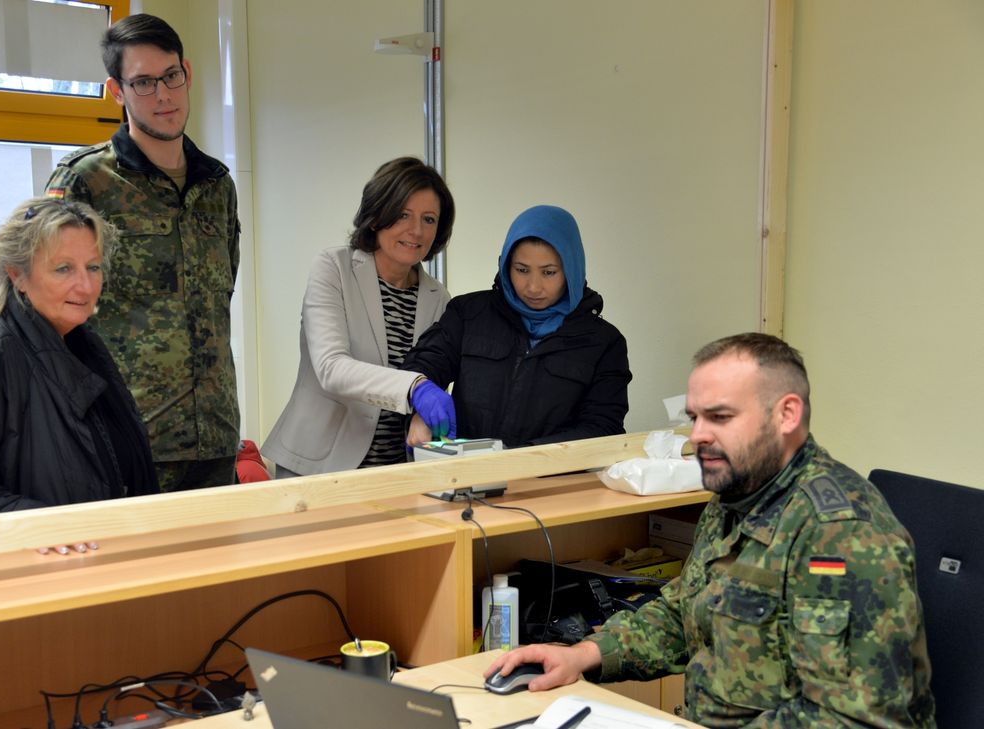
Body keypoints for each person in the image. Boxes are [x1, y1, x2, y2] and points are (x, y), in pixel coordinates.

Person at [486, 333, 936, 728]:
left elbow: (854, 717)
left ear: (786, 415)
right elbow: (684, 610)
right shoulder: (736, 495)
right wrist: (583, 655)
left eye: (719, 417)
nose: (697, 435)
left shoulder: (840, 535)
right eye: (694, 417)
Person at [45, 14, 240, 492]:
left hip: (215, 435)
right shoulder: (84, 181)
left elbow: (221, 293)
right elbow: (46, 312)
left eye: (171, 77)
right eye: (144, 83)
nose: (163, 95)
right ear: (117, 90)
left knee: (223, 567)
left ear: (187, 72)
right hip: (127, 435)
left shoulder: (217, 185)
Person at [0, 198, 158, 520]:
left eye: (93, 267)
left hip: (93, 552)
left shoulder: (82, 343)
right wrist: (49, 528)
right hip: (31, 560)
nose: (86, 285)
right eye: (63, 269)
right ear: (17, 274)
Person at [260, 157, 456, 476]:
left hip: (396, 470)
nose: (416, 230)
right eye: (403, 214)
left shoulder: (438, 297)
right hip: (319, 467)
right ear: (377, 215)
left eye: (429, 219)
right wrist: (415, 388)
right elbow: (331, 368)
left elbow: (430, 372)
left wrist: (424, 409)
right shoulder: (334, 268)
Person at [401, 204, 631, 448]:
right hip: (465, 476)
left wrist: (520, 458)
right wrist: (422, 395)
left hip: (551, 480)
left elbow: (603, 427)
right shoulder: (469, 313)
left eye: (549, 272)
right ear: (505, 265)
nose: (533, 287)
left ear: (571, 270)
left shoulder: (604, 342)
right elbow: (427, 361)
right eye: (521, 270)